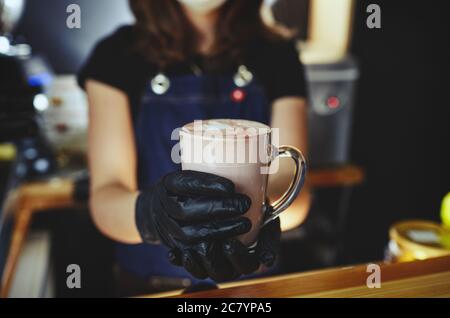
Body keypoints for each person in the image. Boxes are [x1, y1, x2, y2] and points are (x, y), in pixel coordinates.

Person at [78, 0, 310, 296]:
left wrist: (257, 213)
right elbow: (106, 196)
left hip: (254, 289)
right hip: (152, 287)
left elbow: (293, 186)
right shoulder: (115, 56)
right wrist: (152, 215)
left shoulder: (278, 54)